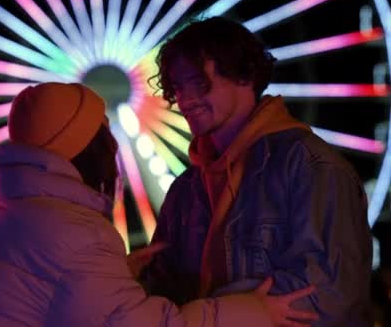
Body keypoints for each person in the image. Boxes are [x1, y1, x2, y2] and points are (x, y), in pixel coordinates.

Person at [0, 82, 317, 326]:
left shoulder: (3, 214)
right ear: (84, 148)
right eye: (103, 132)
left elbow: (34, 288)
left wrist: (118, 271)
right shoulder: (77, 236)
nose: (115, 145)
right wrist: (252, 313)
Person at [137, 16, 373, 326]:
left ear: (243, 76)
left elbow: (328, 295)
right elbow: (160, 293)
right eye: (178, 87)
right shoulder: (186, 190)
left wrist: (213, 313)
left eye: (198, 82)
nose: (185, 99)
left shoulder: (311, 167)